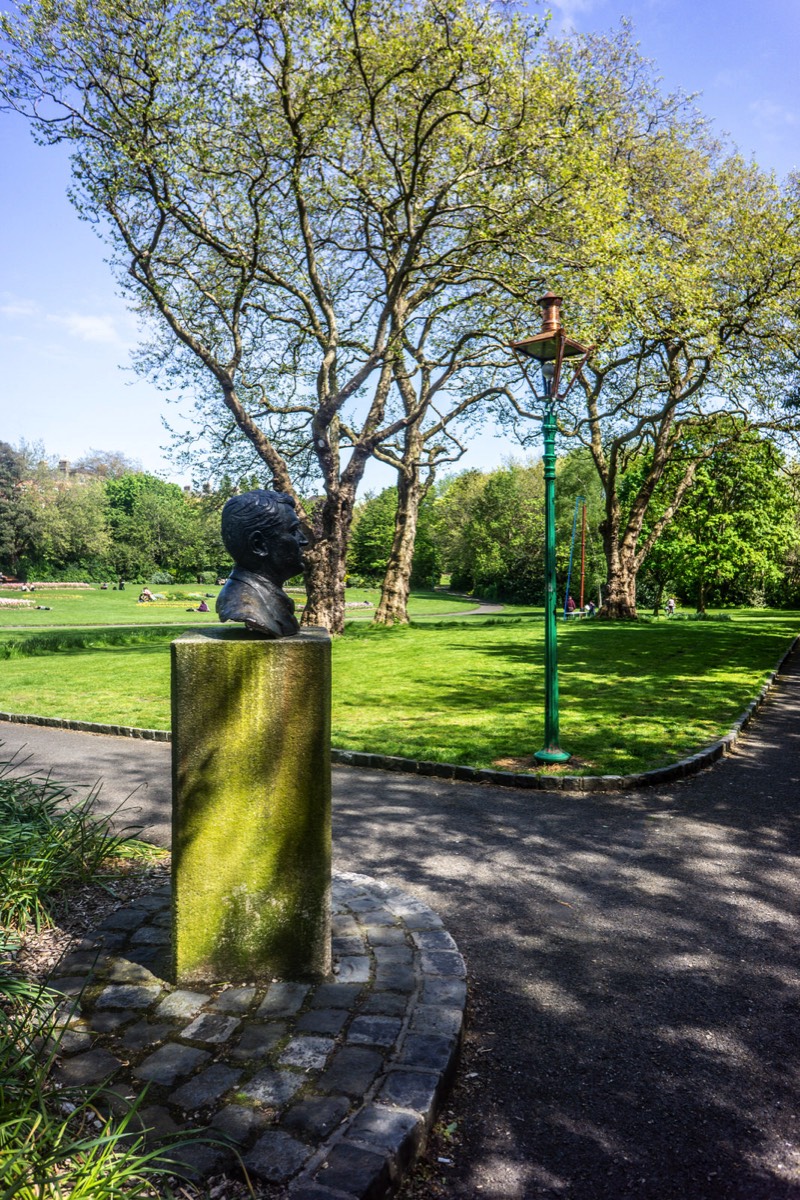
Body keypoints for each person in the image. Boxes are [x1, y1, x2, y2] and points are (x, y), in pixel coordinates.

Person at [216, 489, 308, 638]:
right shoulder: (245, 606)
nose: (304, 540)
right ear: (259, 545)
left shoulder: (265, 599)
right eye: (293, 531)